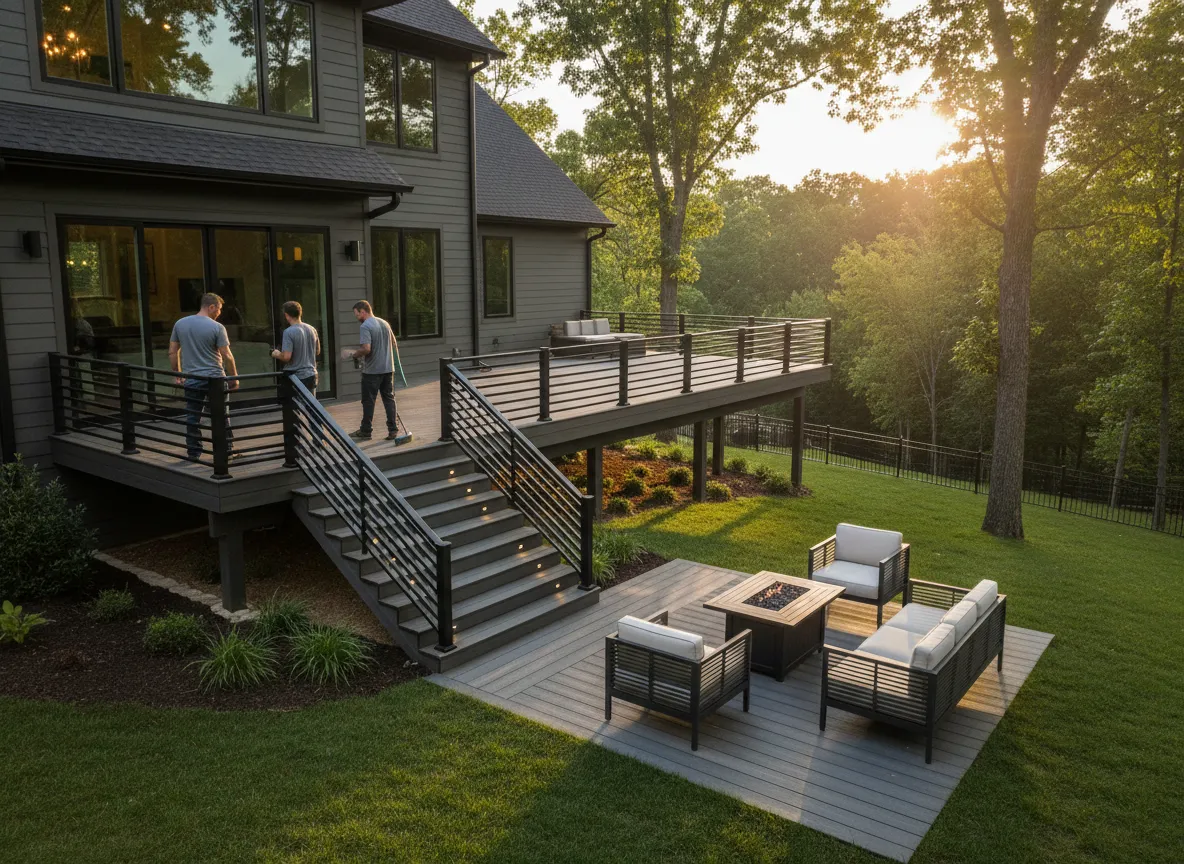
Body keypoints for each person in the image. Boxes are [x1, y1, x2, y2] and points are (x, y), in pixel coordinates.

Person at [169, 293, 238, 461]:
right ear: (211, 307)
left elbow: (172, 352)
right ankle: (226, 450)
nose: (219, 313)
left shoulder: (180, 324)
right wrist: (234, 377)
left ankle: (194, 453)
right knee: (221, 415)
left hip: (192, 378)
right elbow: (227, 355)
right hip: (215, 379)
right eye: (219, 309)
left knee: (193, 416)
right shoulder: (217, 327)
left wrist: (178, 373)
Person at [271, 301, 322, 440]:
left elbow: (286, 357)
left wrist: (276, 354)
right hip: (311, 374)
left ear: (287, 316)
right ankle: (319, 439)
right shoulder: (312, 329)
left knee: (292, 410)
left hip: (295, 376)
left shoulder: (289, 332)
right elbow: (317, 351)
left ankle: (296, 442)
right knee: (312, 409)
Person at [350, 300, 398, 440]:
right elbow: (394, 343)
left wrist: (354, 354)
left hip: (372, 371)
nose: (357, 317)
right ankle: (393, 430)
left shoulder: (365, 326)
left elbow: (366, 349)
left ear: (363, 311)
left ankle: (366, 431)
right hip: (388, 368)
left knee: (368, 401)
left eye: (357, 314)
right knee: (389, 399)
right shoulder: (385, 323)